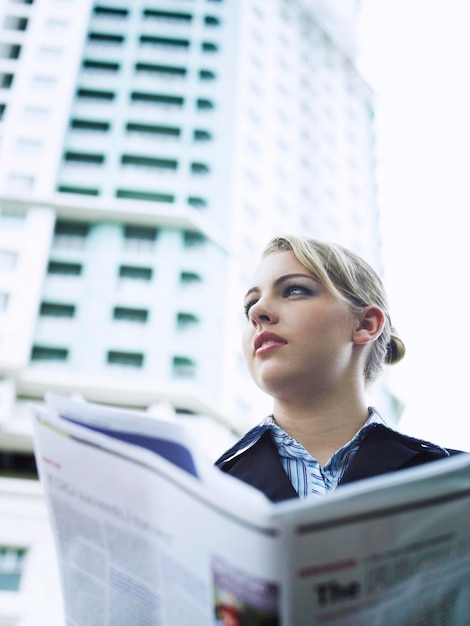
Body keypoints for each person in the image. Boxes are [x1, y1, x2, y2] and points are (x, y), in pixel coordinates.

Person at [215, 235, 462, 502]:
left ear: (365, 324)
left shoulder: (459, 480)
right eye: (250, 304)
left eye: (294, 290)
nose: (257, 311)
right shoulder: (204, 492)